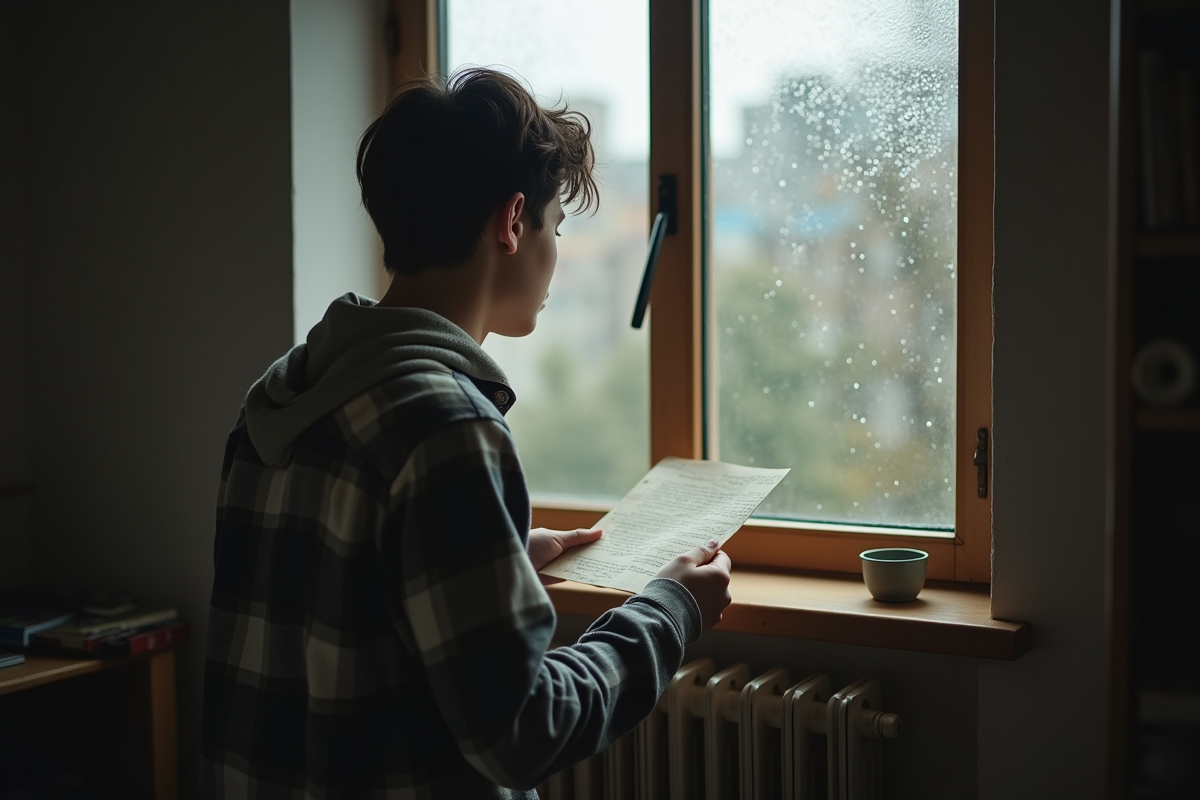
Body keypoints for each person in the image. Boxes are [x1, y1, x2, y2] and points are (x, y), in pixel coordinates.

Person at [199, 67, 733, 799]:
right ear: (514, 222)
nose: (556, 256)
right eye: (557, 226)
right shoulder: (446, 428)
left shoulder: (283, 391)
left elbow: (333, 599)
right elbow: (521, 731)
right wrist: (671, 610)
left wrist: (502, 554)